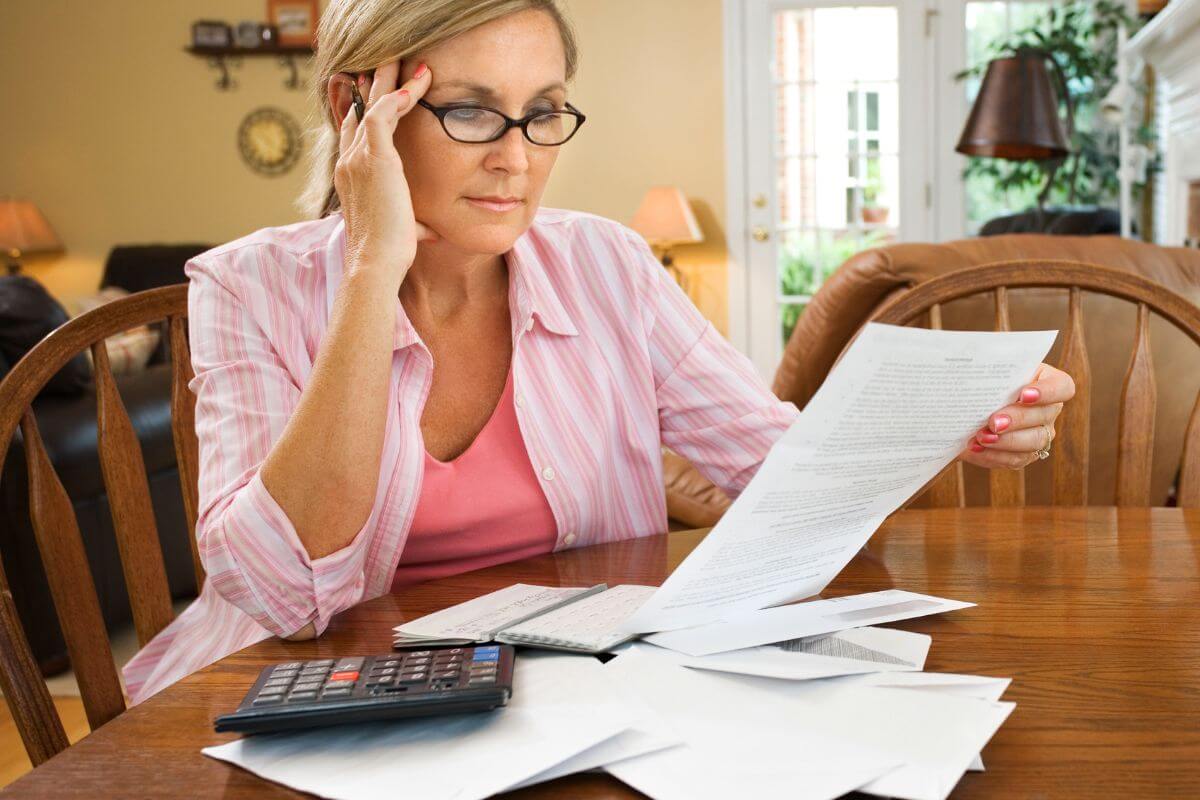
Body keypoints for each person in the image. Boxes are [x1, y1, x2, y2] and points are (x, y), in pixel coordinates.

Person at [122, 0, 1074, 703]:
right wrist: (374, 269)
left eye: (543, 111)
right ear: (354, 109)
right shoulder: (247, 288)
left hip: (576, 695)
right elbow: (281, 595)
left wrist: (957, 422)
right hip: (321, 695)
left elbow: (774, 467)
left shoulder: (607, 264)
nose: (517, 157)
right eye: (470, 111)